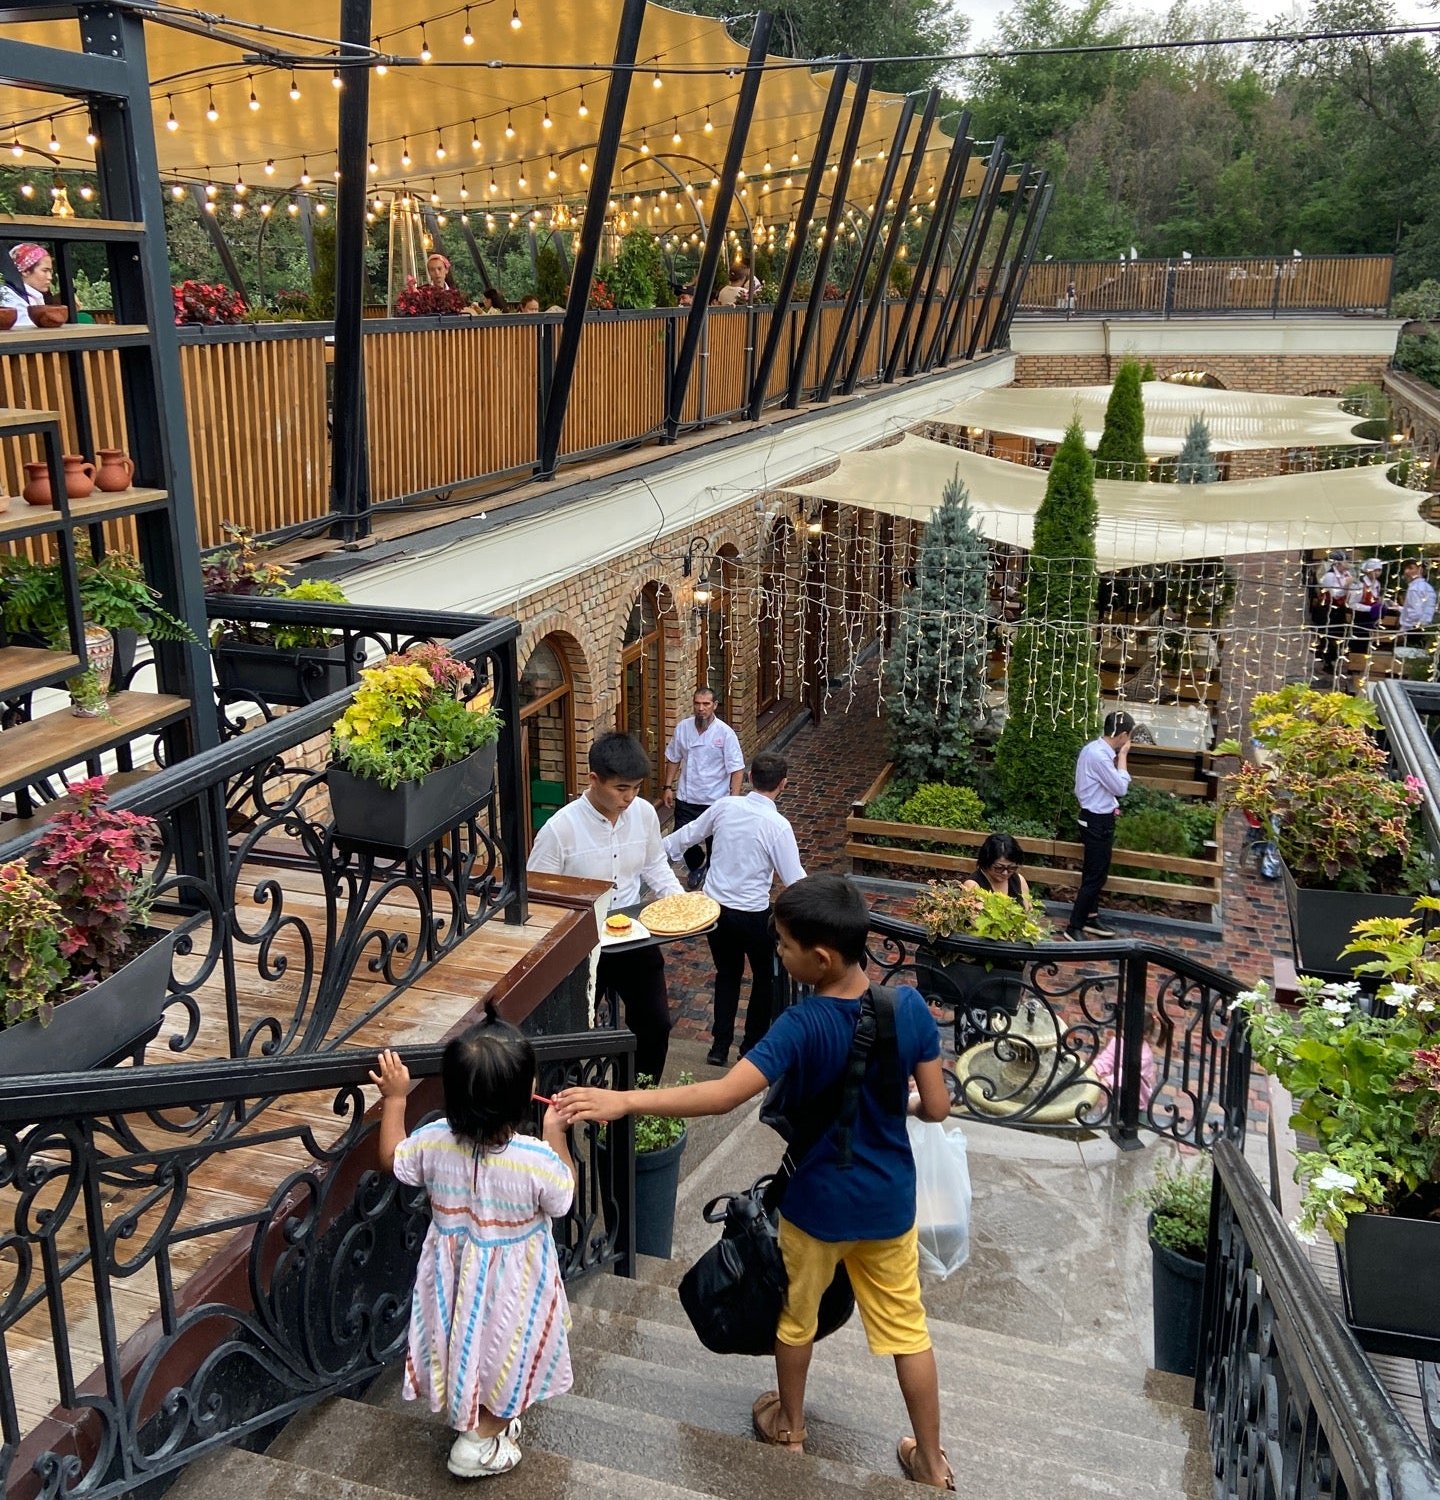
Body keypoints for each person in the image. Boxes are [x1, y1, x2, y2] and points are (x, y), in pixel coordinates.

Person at [556, 873, 954, 1490]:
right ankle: (930, 1461)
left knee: (796, 1318)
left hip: (815, 1208)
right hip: (888, 1206)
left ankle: (790, 1427)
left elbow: (721, 1096)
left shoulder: (800, 1025)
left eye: (785, 945)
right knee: (908, 1330)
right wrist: (893, 1103)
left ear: (820, 958)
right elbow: (937, 1107)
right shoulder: (907, 1010)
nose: (779, 954)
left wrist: (625, 1100)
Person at [371, 1007, 576, 1480]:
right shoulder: (535, 1159)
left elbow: (391, 1157)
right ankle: (478, 1440)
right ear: (525, 1095)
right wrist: (555, 1135)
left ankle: (473, 1415)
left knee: (468, 1346)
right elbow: (563, 1197)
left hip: (453, 1281)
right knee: (513, 1356)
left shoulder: (434, 1141)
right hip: (516, 1290)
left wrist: (396, 1099)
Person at [528, 732, 683, 1080]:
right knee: (570, 1037)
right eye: (621, 788)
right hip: (580, 946)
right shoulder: (559, 830)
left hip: (633, 937)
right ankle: (565, 1096)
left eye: (636, 788)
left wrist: (679, 901)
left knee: (656, 1024)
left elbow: (655, 865)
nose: (629, 798)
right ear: (594, 779)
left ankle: (641, 1098)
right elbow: (538, 897)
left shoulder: (644, 814)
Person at [664, 750, 806, 1067]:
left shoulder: (725, 806)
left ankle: (719, 1047)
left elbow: (688, 834)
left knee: (727, 974)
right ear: (783, 784)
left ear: (751, 778)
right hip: (753, 915)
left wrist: (655, 852)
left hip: (716, 911)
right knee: (764, 979)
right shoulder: (778, 826)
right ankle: (750, 1048)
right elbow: (794, 879)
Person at [662, 686, 745, 889]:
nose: (701, 708)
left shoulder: (725, 734)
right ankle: (697, 865)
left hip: (715, 799)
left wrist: (733, 800)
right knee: (682, 838)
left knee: (715, 843)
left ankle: (712, 875)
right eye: (697, 704)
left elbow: (736, 769)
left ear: (714, 705)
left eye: (706, 704)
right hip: (687, 797)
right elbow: (673, 758)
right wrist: (667, 786)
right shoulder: (683, 728)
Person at [1063, 710, 1135, 942]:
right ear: (1123, 735)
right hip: (1097, 820)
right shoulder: (1100, 756)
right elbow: (1120, 788)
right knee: (1094, 877)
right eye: (1129, 736)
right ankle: (1074, 926)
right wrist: (1123, 756)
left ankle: (1090, 917)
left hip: (1095, 818)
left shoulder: (1092, 749)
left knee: (1096, 872)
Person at [962, 833, 1032, 909]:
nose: (1005, 873)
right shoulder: (973, 885)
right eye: (999, 868)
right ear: (986, 862)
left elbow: (1028, 911)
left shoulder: (1019, 880)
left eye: (1012, 868)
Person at [1311, 551, 1351, 673]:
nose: (1348, 564)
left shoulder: (1346, 574)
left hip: (1340, 608)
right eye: (1346, 562)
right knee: (1329, 636)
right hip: (1328, 609)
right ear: (1337, 564)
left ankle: (1329, 657)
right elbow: (1335, 594)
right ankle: (1327, 662)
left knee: (1340, 634)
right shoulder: (1329, 576)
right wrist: (1346, 586)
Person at [1, 242, 54, 327]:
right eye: (45, 271)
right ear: (25, 271)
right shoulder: (11, 298)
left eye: (50, 271)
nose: (50, 277)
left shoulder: (34, 297)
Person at [1347, 558, 1384, 656]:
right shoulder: (1359, 584)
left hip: (1371, 618)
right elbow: (1352, 604)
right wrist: (1370, 609)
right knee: (1358, 642)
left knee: (1367, 643)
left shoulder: (1377, 584)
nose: (1377, 573)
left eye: (1379, 570)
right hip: (1360, 617)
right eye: (1375, 570)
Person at [1399, 557, 1437, 648]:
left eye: (1410, 568)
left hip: (1413, 630)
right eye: (1406, 568)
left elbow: (1415, 613)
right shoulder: (1427, 587)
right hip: (1425, 628)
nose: (1406, 571)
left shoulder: (1415, 588)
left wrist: (1403, 629)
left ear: (1420, 570)